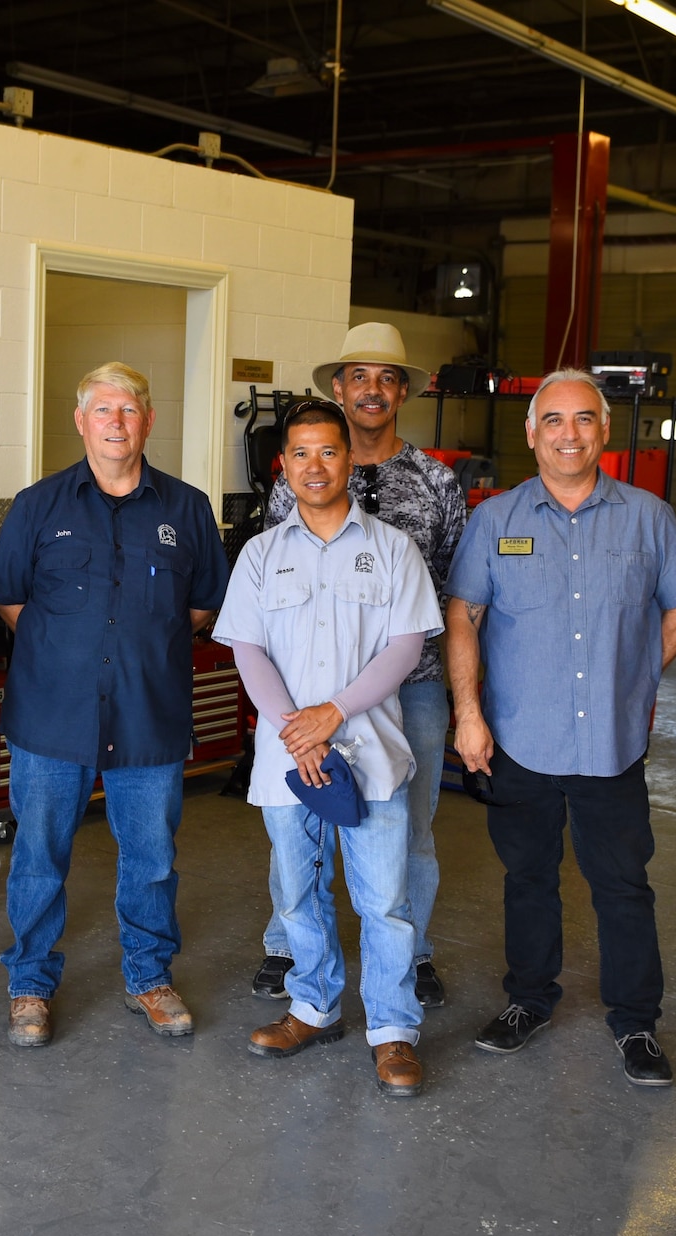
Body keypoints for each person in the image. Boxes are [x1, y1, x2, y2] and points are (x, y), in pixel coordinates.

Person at [443, 368, 676, 1087]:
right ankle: (528, 1001)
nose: (569, 433)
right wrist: (468, 714)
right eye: (554, 421)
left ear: (605, 431)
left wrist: (638, 672)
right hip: (520, 740)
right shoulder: (496, 519)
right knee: (528, 877)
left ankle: (636, 1023)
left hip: (612, 744)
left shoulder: (647, 517)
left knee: (623, 885)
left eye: (584, 419)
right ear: (532, 434)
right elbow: (462, 616)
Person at [0, 361, 229, 1048]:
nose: (117, 422)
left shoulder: (186, 508)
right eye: (103, 410)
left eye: (129, 410)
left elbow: (205, 602)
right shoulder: (38, 504)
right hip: (49, 716)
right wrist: (70, 649)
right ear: (81, 420)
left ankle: (149, 976)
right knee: (38, 855)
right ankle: (30, 982)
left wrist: (137, 647)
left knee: (150, 855)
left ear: (148, 421)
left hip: (148, 714)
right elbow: (10, 598)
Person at [214, 400, 443, 1097]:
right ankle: (312, 1008)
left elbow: (406, 647)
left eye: (329, 452)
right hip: (290, 760)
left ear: (350, 459)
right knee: (297, 891)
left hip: (371, 755)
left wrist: (334, 712)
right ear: (284, 465)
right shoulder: (259, 555)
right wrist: (296, 728)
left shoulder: (394, 549)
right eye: (301, 453)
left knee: (385, 901)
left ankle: (394, 1031)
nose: (316, 466)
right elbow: (247, 648)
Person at [252, 322, 464, 1009]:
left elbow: (456, 589)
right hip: (309, 686)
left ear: (402, 390)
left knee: (408, 827)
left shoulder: (436, 480)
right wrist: (300, 713)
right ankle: (289, 949)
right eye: (359, 377)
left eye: (387, 377)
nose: (372, 390)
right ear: (339, 388)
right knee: (298, 820)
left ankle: (412, 956)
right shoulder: (293, 489)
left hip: (416, 684)